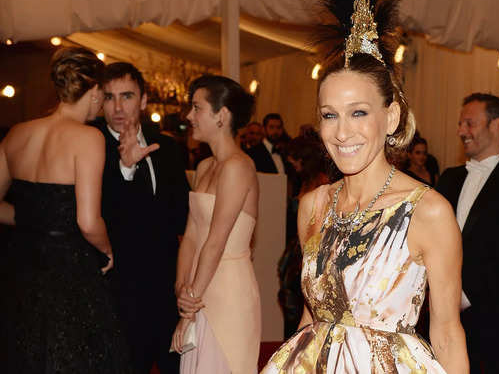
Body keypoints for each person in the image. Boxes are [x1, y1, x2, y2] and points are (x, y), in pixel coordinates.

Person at [261, 0, 468, 373]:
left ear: (391, 118)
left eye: (359, 113)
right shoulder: (313, 204)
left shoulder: (429, 212)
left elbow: (446, 330)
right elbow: (311, 318)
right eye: (330, 115)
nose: (342, 131)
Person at [0, 47, 132, 372]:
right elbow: (87, 221)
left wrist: (33, 220)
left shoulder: (17, 134)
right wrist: (107, 250)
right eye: (102, 94)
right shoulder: (88, 138)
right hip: (68, 272)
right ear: (93, 91)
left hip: (20, 268)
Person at [96, 62, 189, 374]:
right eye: (109, 97)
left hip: (166, 287)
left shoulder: (168, 147)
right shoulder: (90, 146)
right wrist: (126, 169)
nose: (118, 107)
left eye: (127, 96)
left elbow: (181, 216)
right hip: (116, 291)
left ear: (144, 100)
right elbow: (102, 215)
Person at [436, 93, 499, 374]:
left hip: (490, 314)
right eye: (460, 124)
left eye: (469, 123)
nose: (461, 131)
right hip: (438, 313)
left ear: (496, 125)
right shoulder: (448, 177)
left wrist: (463, 296)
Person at [171, 75, 261, 373]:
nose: (188, 116)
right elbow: (192, 234)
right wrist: (181, 287)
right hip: (199, 285)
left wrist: (189, 306)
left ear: (222, 115)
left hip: (228, 291)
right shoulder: (205, 166)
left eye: (197, 108)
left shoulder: (238, 167)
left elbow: (216, 241)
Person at [278, 133, 330, 337]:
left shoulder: (322, 188)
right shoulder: (301, 182)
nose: (293, 164)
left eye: (296, 159)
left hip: (308, 253)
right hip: (293, 252)